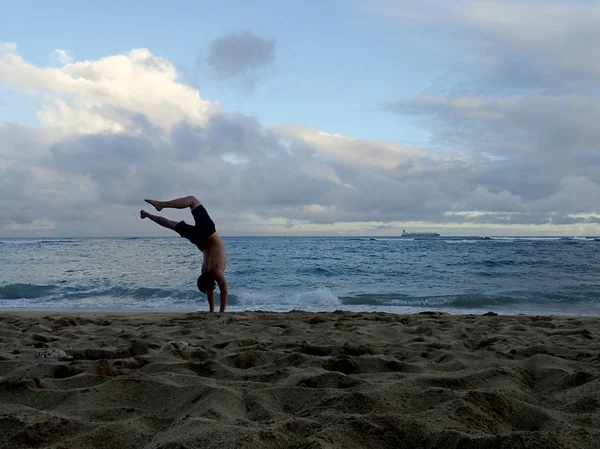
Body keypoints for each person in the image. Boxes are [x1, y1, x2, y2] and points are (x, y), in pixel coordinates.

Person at [140, 195, 228, 312]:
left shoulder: (210, 271)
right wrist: (219, 313)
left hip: (206, 235)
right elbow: (221, 291)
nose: (212, 289)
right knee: (172, 222)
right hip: (201, 237)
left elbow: (220, 291)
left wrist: (215, 312)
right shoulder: (209, 272)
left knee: (189, 204)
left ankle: (154, 210)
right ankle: (150, 212)